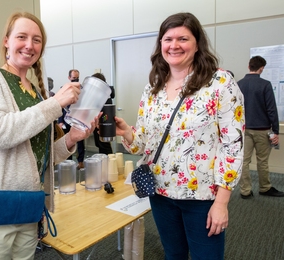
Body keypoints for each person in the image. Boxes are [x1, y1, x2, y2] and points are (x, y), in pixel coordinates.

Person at [0, 12, 96, 260]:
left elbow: (40, 159)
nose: (29, 45)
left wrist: (72, 138)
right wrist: (55, 103)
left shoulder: (35, 94)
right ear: (7, 41)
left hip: (28, 210)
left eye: (37, 40)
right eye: (22, 37)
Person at [114, 12, 245, 259]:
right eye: (168, 39)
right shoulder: (154, 87)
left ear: (197, 45)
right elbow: (143, 144)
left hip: (203, 196)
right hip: (161, 193)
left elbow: (233, 146)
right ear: (160, 45)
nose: (174, 45)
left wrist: (222, 203)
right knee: (173, 255)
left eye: (183, 39)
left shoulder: (220, 83)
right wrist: (128, 133)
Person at [237, 56, 283, 199]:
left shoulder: (238, 84)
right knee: (262, 161)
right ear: (261, 68)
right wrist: (275, 131)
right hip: (262, 130)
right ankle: (264, 187)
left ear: (248, 66)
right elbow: (271, 109)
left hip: (244, 129)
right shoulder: (265, 84)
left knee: (244, 161)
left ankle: (245, 190)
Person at [58, 69, 86, 168]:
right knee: (67, 142)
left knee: (80, 142)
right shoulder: (64, 89)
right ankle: (68, 163)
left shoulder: (83, 90)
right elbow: (60, 106)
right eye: (74, 78)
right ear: (69, 78)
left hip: (78, 120)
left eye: (77, 78)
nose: (75, 80)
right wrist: (60, 121)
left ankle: (81, 162)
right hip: (66, 119)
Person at [91, 72, 114, 154]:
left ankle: (110, 162)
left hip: (104, 122)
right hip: (97, 121)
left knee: (104, 145)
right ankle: (104, 161)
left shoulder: (105, 94)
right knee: (99, 144)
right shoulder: (98, 93)